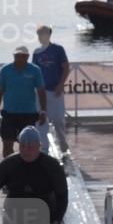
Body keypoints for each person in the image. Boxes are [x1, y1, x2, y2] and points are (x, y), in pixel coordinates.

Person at [0, 46, 47, 158]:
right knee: (7, 144)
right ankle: (9, 168)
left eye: (22, 56)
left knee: (28, 145)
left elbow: (41, 91)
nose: (20, 59)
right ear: (14, 56)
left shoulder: (35, 70)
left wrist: (43, 111)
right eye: (17, 56)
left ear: (27, 57)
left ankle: (26, 168)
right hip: (9, 114)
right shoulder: (5, 70)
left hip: (28, 114)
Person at [32, 25, 70, 155]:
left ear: (49, 35)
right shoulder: (36, 52)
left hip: (55, 91)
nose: (41, 37)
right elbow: (34, 72)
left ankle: (62, 140)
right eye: (39, 35)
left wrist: (60, 85)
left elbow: (66, 68)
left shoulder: (58, 49)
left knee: (59, 120)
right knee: (41, 120)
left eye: (43, 34)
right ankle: (44, 148)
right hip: (41, 92)